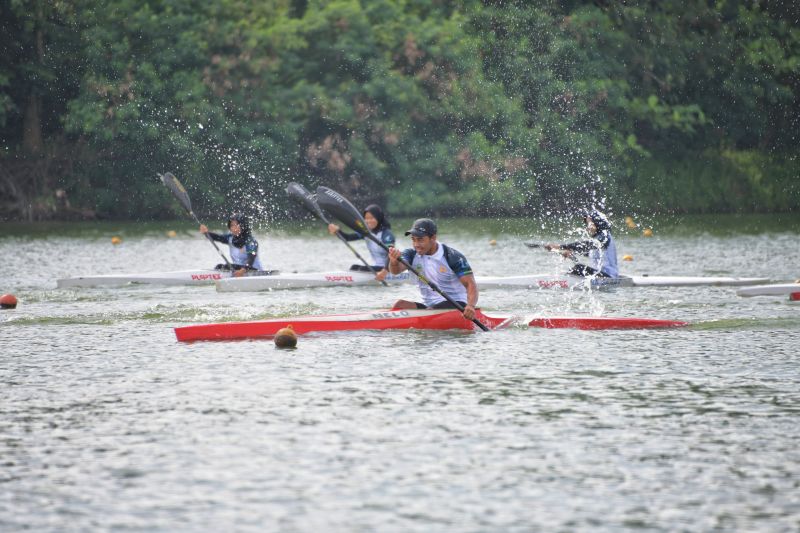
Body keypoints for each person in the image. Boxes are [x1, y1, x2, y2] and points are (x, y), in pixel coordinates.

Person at [387, 218, 479, 320]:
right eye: (413, 239)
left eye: (420, 240)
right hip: (429, 306)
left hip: (457, 304)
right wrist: (393, 262)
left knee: (429, 313)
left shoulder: (452, 256)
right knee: (399, 305)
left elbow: (471, 284)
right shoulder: (411, 254)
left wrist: (470, 306)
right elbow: (395, 271)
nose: (416, 244)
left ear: (433, 238)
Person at [328, 204, 395, 281]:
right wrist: (337, 231)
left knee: (360, 269)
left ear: (379, 218)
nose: (368, 221)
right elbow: (348, 238)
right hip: (377, 267)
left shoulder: (386, 234)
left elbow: (392, 254)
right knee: (354, 267)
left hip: (388, 268)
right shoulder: (366, 233)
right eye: (366, 218)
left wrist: (384, 272)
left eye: (372, 218)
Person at [545, 209, 619, 278]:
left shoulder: (604, 237)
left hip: (609, 276)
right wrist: (571, 253)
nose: (588, 227)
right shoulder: (599, 238)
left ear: (598, 223)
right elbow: (589, 252)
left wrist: (560, 246)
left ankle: (562, 282)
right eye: (587, 224)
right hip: (602, 274)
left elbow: (586, 245)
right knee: (575, 269)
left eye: (590, 223)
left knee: (578, 268)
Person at [199, 213, 264, 277]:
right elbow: (218, 237)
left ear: (243, 226)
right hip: (237, 270)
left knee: (226, 266)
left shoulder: (250, 241)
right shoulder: (230, 238)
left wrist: (243, 270)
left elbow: (251, 259)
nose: (234, 228)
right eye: (232, 225)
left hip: (254, 271)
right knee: (219, 266)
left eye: (236, 225)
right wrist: (206, 232)